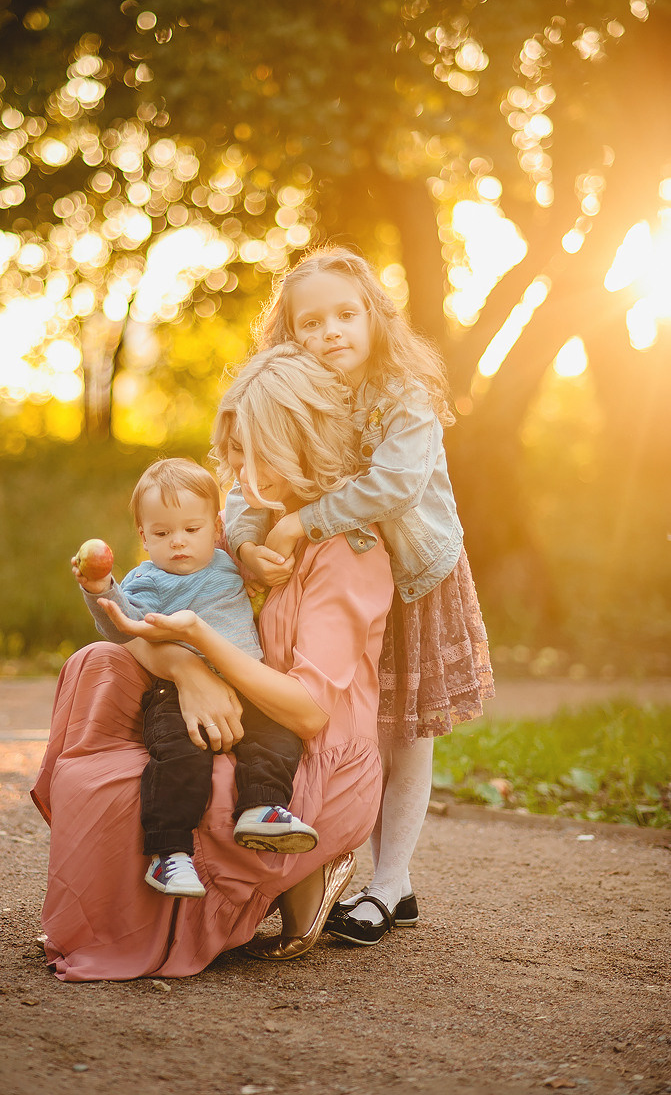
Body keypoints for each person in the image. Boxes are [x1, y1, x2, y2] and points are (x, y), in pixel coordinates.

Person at [31, 344, 394, 979]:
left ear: (300, 447)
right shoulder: (232, 533)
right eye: (229, 453)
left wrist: (204, 642)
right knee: (98, 667)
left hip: (303, 741)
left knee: (195, 787)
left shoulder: (350, 552)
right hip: (230, 704)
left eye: (249, 455)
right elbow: (134, 629)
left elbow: (309, 713)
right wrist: (188, 670)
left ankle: (303, 861)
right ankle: (152, 885)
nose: (232, 470)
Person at [225, 246, 495, 946]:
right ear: (288, 334)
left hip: (410, 578)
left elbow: (393, 486)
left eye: (345, 314)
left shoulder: (404, 393)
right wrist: (243, 539)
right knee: (343, 722)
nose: (330, 333)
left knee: (401, 729)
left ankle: (390, 880)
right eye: (310, 323)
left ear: (374, 317)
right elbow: (246, 475)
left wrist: (299, 522)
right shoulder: (294, 388)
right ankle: (319, 860)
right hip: (332, 581)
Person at [72, 456, 318, 902]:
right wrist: (99, 587)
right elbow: (119, 623)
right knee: (181, 758)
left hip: (248, 685)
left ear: (216, 528)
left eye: (191, 529)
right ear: (144, 537)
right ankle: (169, 853)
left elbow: (258, 561)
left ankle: (260, 807)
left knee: (277, 736)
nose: (178, 543)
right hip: (178, 693)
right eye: (162, 533)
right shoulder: (147, 579)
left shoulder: (229, 563)